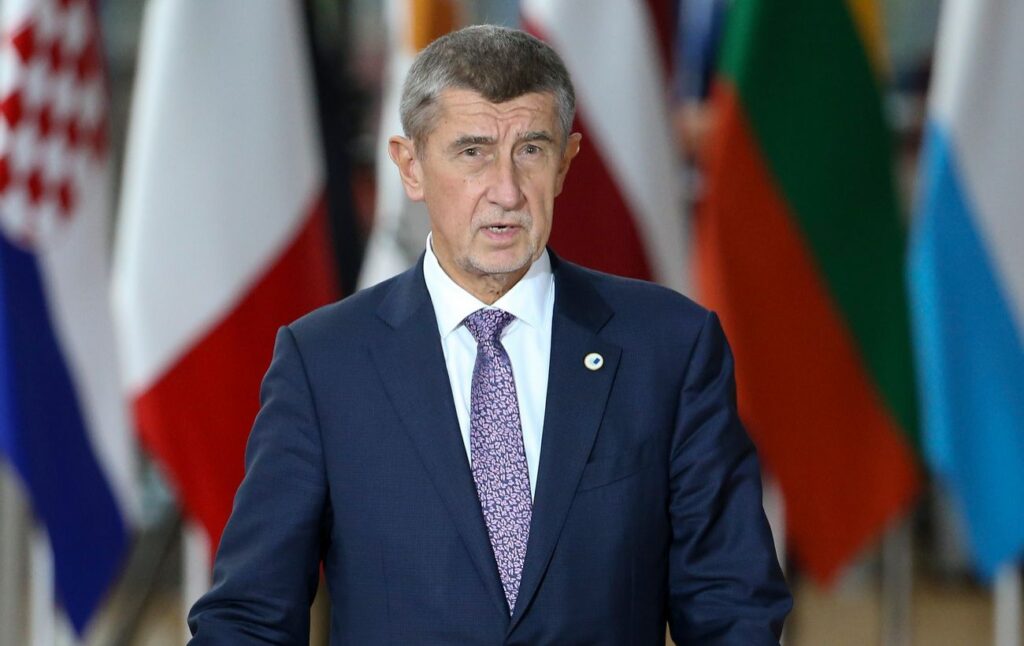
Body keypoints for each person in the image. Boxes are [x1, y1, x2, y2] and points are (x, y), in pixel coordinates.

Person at [188, 24, 791, 645]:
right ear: (411, 166)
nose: (506, 191)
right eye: (473, 151)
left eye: (530, 149)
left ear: (566, 162)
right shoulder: (324, 364)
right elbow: (248, 618)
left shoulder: (669, 347)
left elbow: (732, 606)